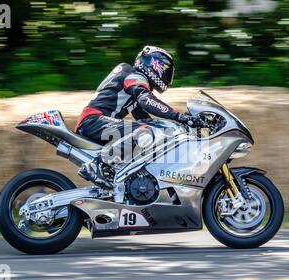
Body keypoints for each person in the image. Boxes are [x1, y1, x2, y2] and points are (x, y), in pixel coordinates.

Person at [75, 45, 203, 184]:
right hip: (94, 120)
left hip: (96, 121)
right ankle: (96, 165)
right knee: (144, 133)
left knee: (148, 132)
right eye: (166, 71)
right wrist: (179, 117)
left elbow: (146, 119)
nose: (168, 76)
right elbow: (146, 100)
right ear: (154, 64)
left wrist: (173, 127)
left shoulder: (132, 81)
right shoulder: (134, 75)